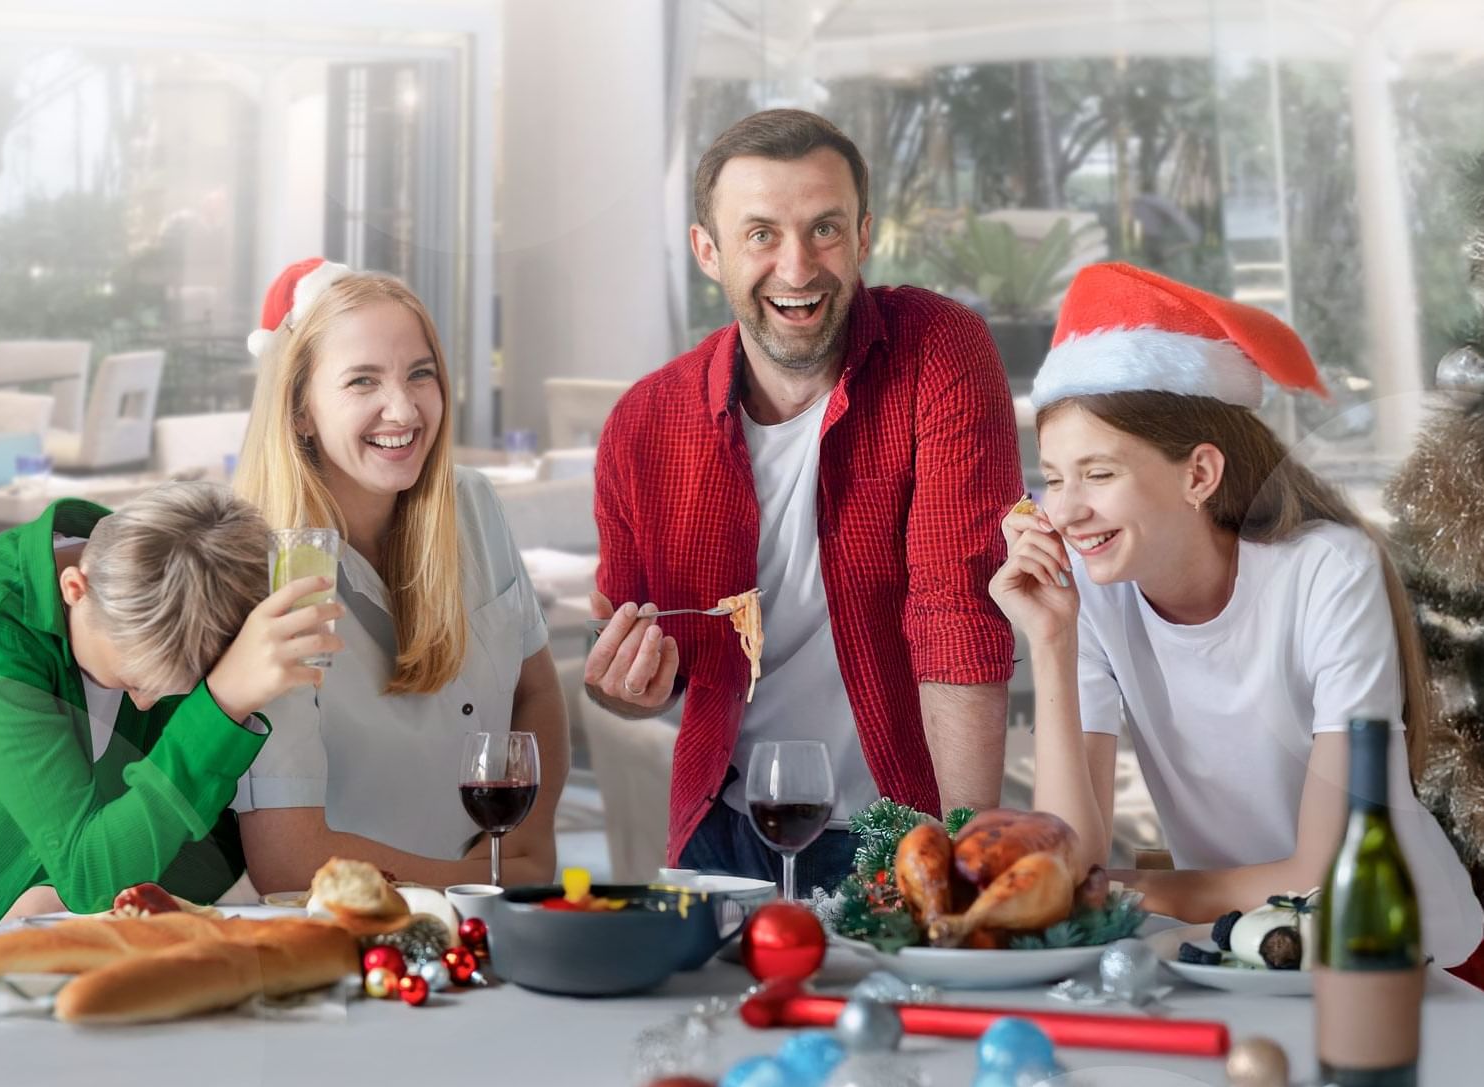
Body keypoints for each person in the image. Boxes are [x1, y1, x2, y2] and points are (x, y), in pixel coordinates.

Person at [989, 261, 1484, 965]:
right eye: (1055, 477)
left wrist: (1122, 893)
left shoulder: (1325, 570)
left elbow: (1318, 876)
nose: (1065, 510)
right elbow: (1070, 856)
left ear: (1198, 474)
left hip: (1402, 952)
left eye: (1098, 474)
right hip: (1236, 946)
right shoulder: (1092, 594)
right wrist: (1048, 638)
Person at [587, 109, 1020, 894]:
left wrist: (962, 859)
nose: (796, 267)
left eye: (823, 229)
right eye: (760, 235)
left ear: (862, 237)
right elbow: (639, 658)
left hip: (897, 835)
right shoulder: (641, 424)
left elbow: (956, 609)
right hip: (723, 830)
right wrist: (624, 687)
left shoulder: (937, 351)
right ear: (707, 252)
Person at [0, 482, 339, 1032]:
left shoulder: (168, 595)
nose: (151, 701)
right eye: (136, 673)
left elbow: (205, 853)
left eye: (183, 682)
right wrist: (222, 705)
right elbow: (97, 875)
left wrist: (66, 890)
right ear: (75, 587)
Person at [232, 260, 566, 891]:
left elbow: (537, 695)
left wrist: (528, 841)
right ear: (299, 410)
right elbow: (289, 857)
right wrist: (484, 883)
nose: (403, 408)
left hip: (493, 914)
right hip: (345, 937)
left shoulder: (472, 504)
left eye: (421, 375)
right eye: (362, 381)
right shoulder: (263, 575)